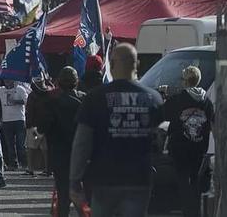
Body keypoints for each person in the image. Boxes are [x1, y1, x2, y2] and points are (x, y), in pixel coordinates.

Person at [70, 43, 163, 217]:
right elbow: (158, 139)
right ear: (137, 64)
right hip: (139, 179)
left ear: (111, 65)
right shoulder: (154, 99)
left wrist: (74, 180)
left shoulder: (94, 98)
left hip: (105, 178)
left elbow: (82, 143)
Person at [164, 66, 214, 217]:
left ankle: (188, 212)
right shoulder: (206, 101)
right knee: (196, 182)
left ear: (185, 81)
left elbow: (163, 113)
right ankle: (197, 211)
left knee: (183, 182)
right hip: (199, 148)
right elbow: (212, 122)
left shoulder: (178, 99)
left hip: (180, 149)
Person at [38, 67, 84, 217]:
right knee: (81, 192)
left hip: (59, 154)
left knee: (63, 193)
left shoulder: (51, 102)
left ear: (58, 82)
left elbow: (42, 127)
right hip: (82, 153)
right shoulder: (85, 99)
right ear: (76, 82)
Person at [0, 79, 28, 171]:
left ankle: (24, 163)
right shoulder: (1, 90)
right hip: (6, 121)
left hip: (19, 120)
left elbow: (27, 101)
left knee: (20, 144)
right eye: (5, 80)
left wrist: (17, 101)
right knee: (10, 145)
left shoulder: (20, 89)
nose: (7, 81)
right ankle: (13, 164)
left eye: (8, 80)